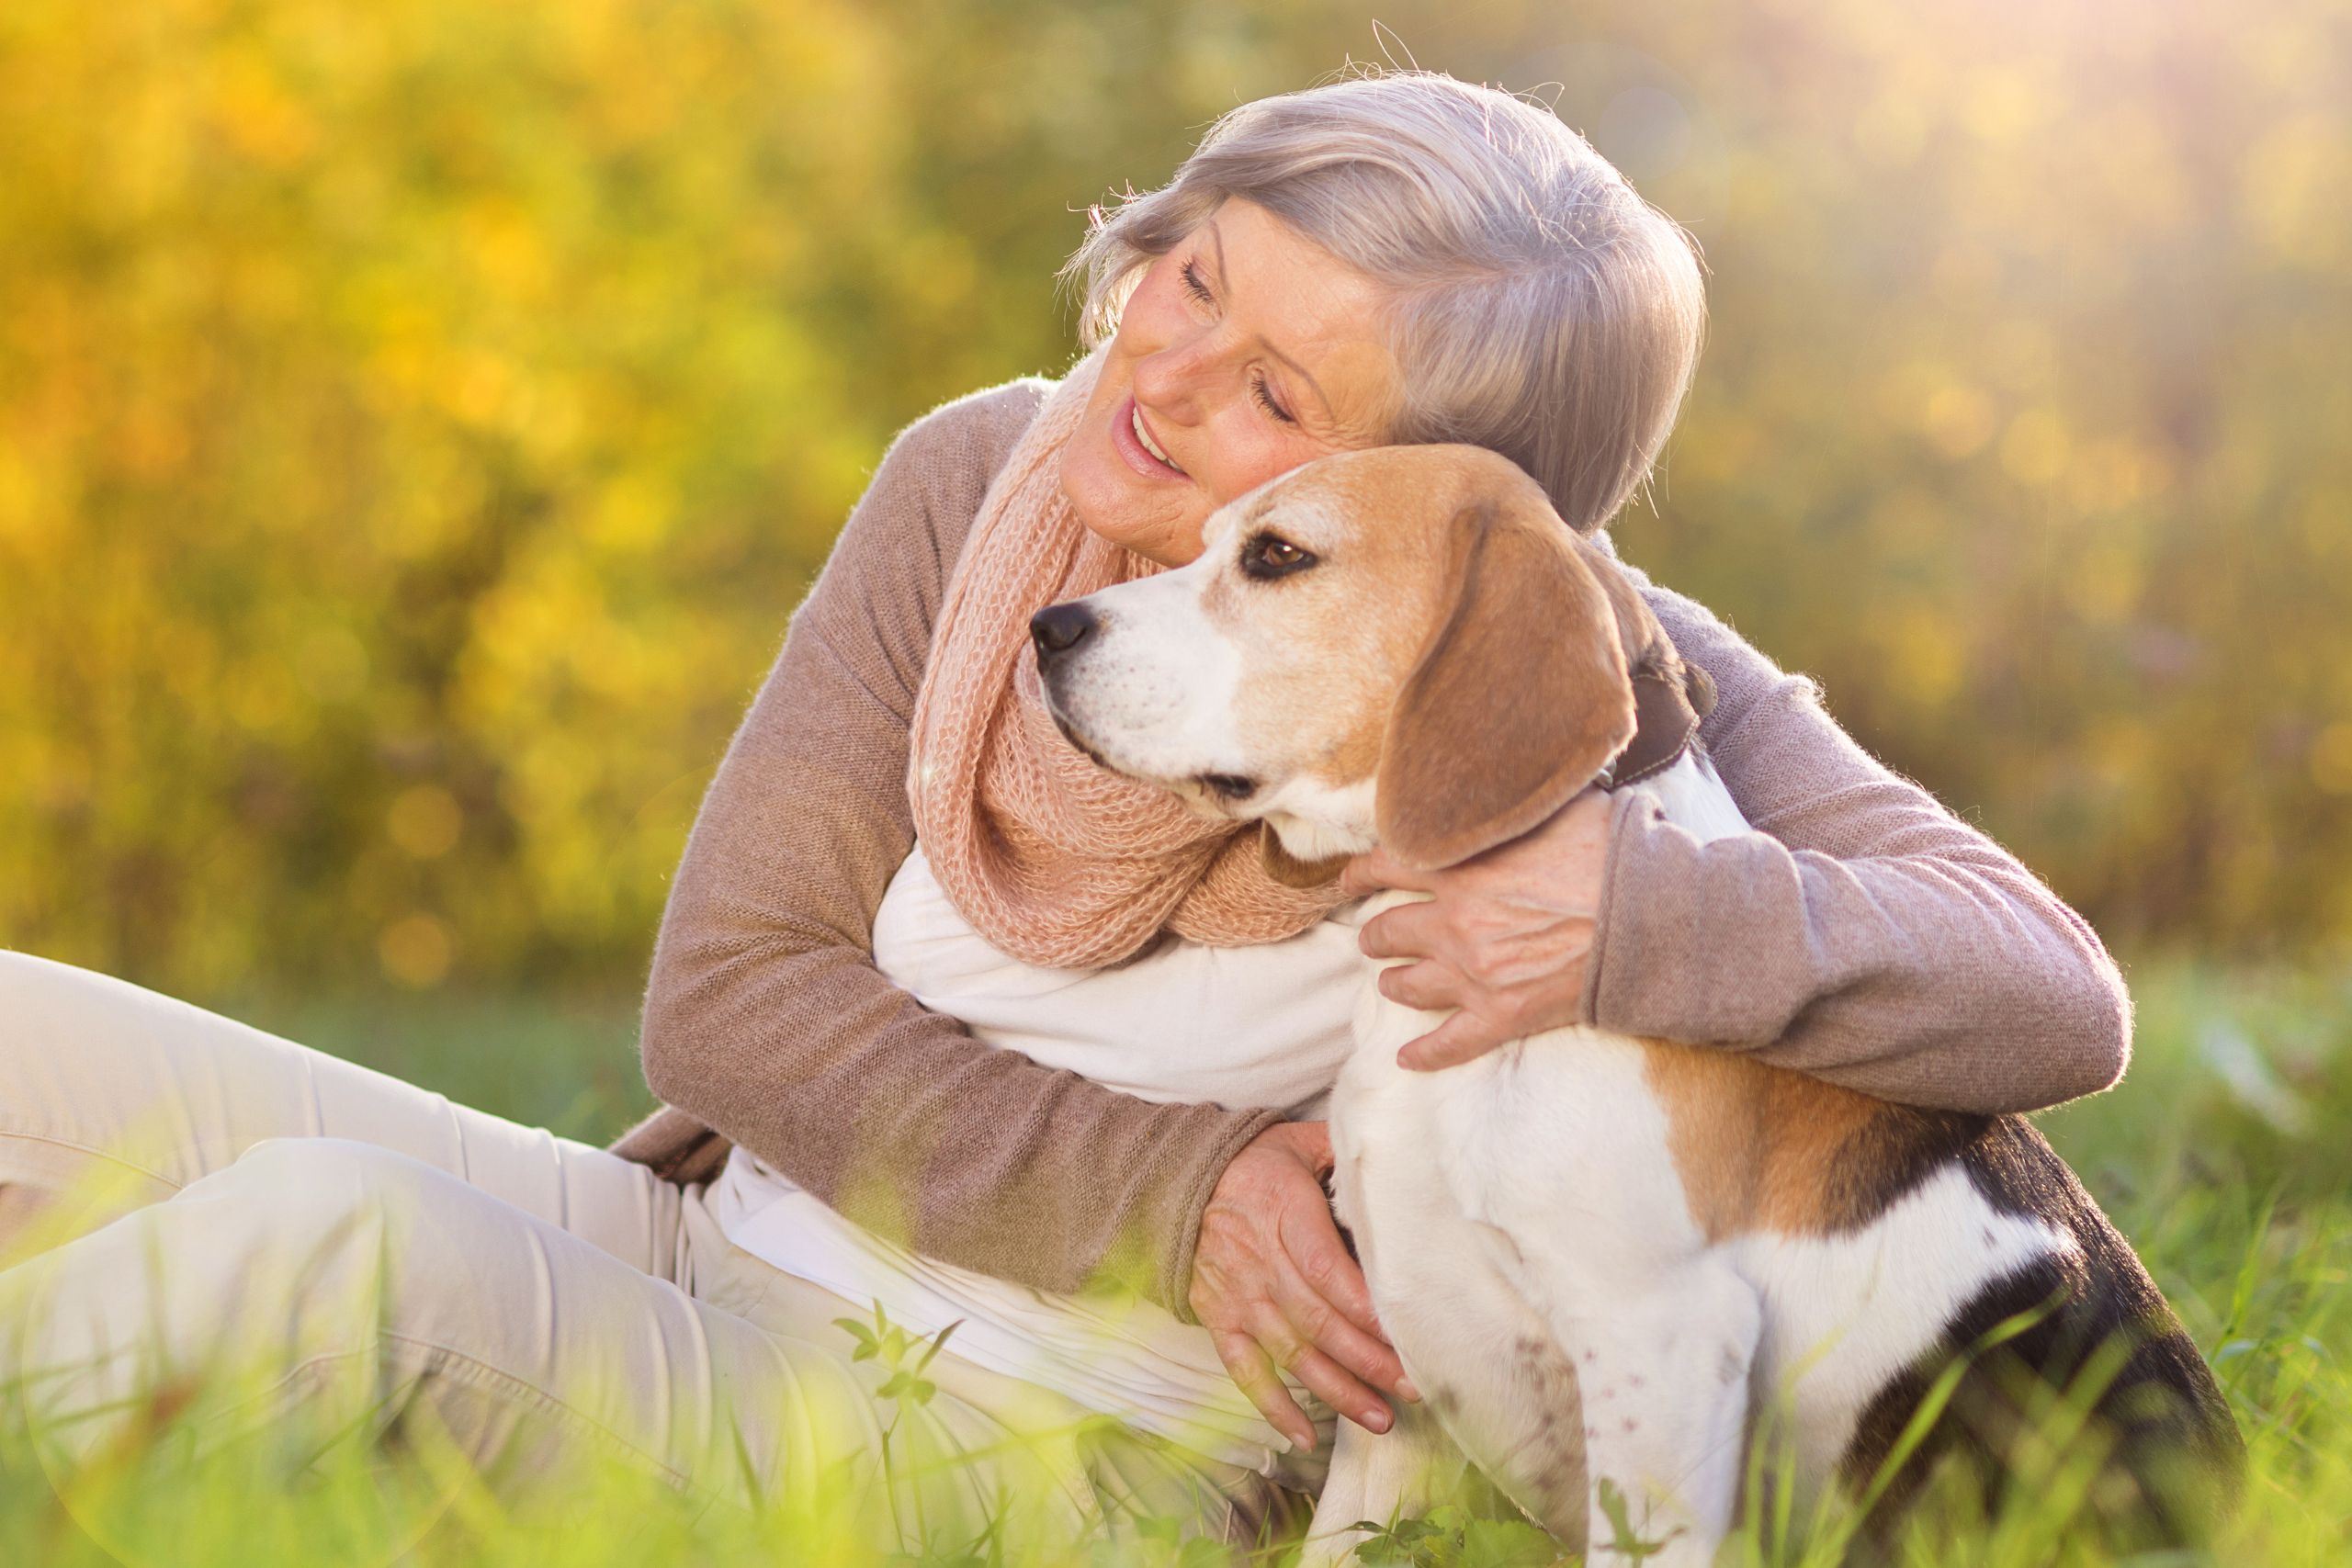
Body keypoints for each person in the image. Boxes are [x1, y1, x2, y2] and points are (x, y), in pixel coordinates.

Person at [0, 71, 2130, 1551]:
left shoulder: (1548, 657)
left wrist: (1624, 917)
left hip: (1016, 1450)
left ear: (1434, 504)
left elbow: (2047, 993)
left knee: (323, 1245)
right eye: (1196, 273)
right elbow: (728, 999)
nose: (1163, 372)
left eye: (1284, 399)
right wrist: (1180, 1183)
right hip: (704, 1233)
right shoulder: (975, 479)